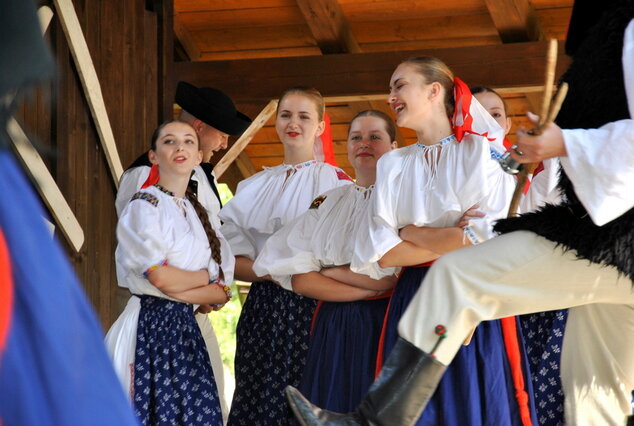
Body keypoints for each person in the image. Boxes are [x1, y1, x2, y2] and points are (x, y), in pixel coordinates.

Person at [286, 1, 634, 425]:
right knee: (594, 388)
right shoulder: (397, 163)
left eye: (402, 85)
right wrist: (450, 234)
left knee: (457, 279)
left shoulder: (477, 149)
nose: (392, 95)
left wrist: (564, 143)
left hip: (613, 240)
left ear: (436, 91)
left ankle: (373, 420)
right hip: (606, 242)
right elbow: (382, 249)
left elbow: (480, 235)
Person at [115, 82, 251, 421]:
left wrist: (210, 289)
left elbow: (220, 270)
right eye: (222, 133)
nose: (224, 143)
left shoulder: (201, 182)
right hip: (154, 315)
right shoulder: (146, 183)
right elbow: (154, 266)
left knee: (207, 408)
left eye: (187, 143)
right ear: (201, 126)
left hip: (191, 318)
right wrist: (204, 281)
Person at [219, 87, 353, 425]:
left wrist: (281, 270)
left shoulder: (336, 183)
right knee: (257, 397)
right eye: (286, 115)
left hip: (312, 305)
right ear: (276, 122)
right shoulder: (253, 186)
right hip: (262, 306)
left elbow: (339, 257)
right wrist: (273, 272)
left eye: (304, 116)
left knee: (306, 401)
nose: (293, 123)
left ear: (320, 127)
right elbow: (231, 259)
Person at [252, 110, 398, 413]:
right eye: (356, 137)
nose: (364, 144)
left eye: (375, 137)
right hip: (334, 325)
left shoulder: (404, 199)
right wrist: (367, 286)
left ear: (394, 147)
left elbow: (392, 279)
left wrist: (329, 271)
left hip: (385, 323)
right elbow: (300, 277)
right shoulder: (330, 201)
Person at [473, 86, 567, 425]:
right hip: (479, 291)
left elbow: (548, 204)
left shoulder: (531, 168)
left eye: (494, 115)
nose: (487, 124)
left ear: (507, 121)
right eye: (478, 115)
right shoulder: (462, 166)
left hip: (534, 294)